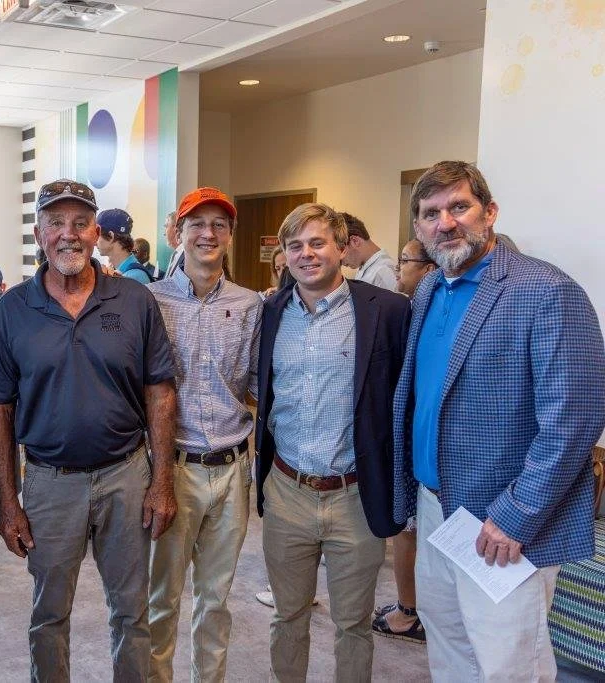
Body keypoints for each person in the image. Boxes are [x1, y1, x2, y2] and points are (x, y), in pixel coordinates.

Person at [393, 161, 605, 682]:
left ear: (489, 213)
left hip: (502, 525)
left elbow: (574, 421)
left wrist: (517, 514)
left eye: (458, 207)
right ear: (418, 228)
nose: (445, 223)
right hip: (438, 510)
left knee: (509, 665)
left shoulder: (546, 291)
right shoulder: (428, 291)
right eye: (430, 213)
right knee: (449, 649)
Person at [0, 178, 177, 681]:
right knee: (48, 615)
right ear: (38, 233)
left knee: (132, 611)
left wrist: (162, 481)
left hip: (126, 475)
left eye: (79, 223)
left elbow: (160, 393)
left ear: (97, 231)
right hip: (49, 482)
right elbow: (0, 411)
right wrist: (8, 503)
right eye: (55, 223)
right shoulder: (12, 309)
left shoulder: (134, 300)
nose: (67, 234)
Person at [256, 203, 410, 682]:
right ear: (283, 256)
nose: (306, 254)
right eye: (295, 246)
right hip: (287, 492)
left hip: (355, 496)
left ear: (343, 248)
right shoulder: (269, 314)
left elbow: (407, 396)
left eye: (318, 242)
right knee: (288, 616)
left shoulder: (387, 311)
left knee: (353, 624)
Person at [147, 187, 262, 681]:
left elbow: (259, 385)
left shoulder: (251, 304)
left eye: (219, 225)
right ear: (178, 233)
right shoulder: (148, 301)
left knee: (216, 601)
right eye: (197, 224)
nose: (208, 233)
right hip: (172, 467)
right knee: (160, 599)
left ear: (230, 237)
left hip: (233, 468)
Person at [370, 238, 437, 644]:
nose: (399, 269)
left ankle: (408, 611)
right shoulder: (413, 312)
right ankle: (410, 606)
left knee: (406, 529)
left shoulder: (418, 314)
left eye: (406, 261)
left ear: (428, 269)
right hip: (414, 445)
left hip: (422, 452)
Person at [341, 212, 397, 291]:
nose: (340, 258)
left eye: (341, 251)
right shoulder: (364, 267)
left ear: (355, 241)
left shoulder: (384, 272)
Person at [96, 208, 151, 284]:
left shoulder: (133, 278)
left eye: (97, 235)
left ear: (111, 236)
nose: (94, 242)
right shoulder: (122, 272)